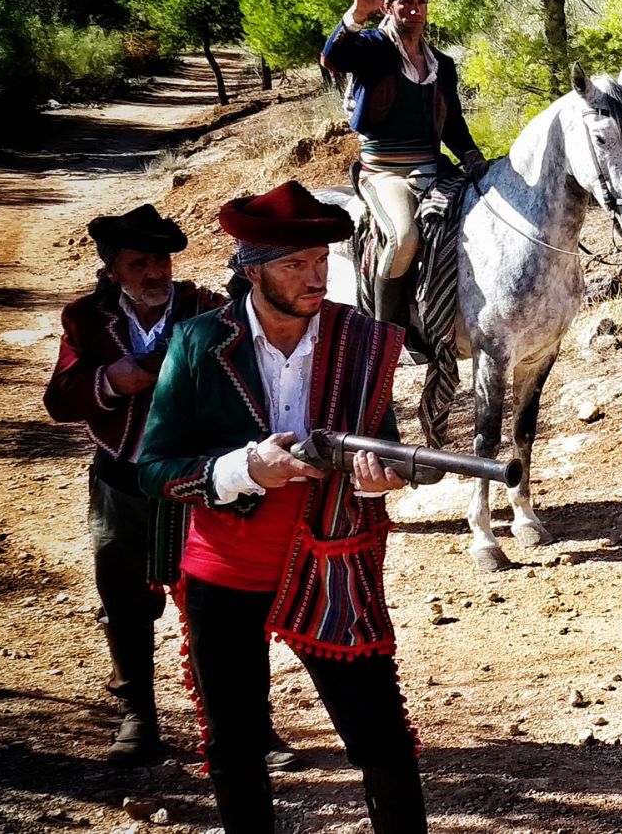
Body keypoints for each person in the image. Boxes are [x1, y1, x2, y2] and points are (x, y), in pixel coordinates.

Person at [137, 181, 426, 832]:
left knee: (380, 737)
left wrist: (376, 482)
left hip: (333, 566)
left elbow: (383, 446)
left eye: (321, 261)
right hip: (226, 570)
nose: (315, 277)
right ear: (252, 269)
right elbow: (154, 469)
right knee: (235, 744)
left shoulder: (361, 340)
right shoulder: (198, 342)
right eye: (294, 264)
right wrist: (245, 469)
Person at [42, 205, 223, 765]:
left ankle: (240, 725)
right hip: (120, 480)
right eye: (138, 263)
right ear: (112, 270)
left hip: (196, 481)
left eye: (161, 260)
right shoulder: (87, 319)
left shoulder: (208, 309)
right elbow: (60, 399)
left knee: (217, 603)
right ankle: (138, 716)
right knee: (124, 602)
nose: (154, 272)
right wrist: (115, 380)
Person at [320, 0, 484, 338]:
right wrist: (357, 13)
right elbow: (333, 58)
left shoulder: (442, 64)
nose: (414, 9)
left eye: (421, 2)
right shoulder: (372, 48)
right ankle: (384, 333)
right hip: (384, 172)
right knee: (404, 236)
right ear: (388, 6)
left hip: (433, 168)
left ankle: (448, 321)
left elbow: (452, 122)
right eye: (405, 1)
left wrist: (472, 155)